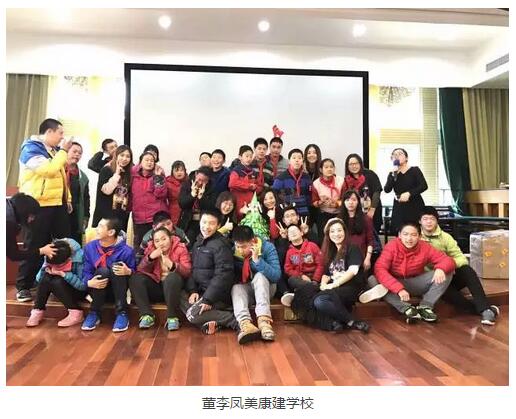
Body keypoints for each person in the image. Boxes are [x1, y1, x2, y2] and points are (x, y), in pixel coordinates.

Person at [16, 118, 73, 302]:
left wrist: (67, 198)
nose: (62, 137)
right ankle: (23, 286)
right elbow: (49, 170)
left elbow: (61, 177)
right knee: (34, 244)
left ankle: (59, 282)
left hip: (57, 204)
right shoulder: (31, 149)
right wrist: (64, 151)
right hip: (37, 205)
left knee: (62, 244)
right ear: (49, 132)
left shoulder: (54, 151)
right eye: (60, 133)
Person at [282, 218, 370, 333]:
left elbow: (353, 271)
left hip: (350, 286)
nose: (336, 234)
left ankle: (351, 321)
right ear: (328, 234)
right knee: (303, 296)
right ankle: (333, 323)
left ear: (345, 231)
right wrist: (323, 283)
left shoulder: (352, 248)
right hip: (334, 287)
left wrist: (333, 285)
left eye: (339, 230)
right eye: (332, 231)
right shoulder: (331, 251)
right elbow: (326, 274)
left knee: (319, 300)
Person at [419, 206, 500, 325]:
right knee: (448, 294)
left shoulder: (446, 237)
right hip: (431, 281)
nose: (429, 222)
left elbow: (461, 258)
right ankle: (487, 310)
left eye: (432, 219)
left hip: (449, 274)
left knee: (467, 270)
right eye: (425, 219)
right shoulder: (415, 237)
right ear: (420, 221)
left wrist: (444, 267)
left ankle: (485, 310)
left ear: (437, 221)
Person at [361, 222, 455, 323]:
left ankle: (425, 307)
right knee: (373, 280)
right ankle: (407, 309)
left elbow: (448, 260)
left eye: (413, 235)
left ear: (419, 236)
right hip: (393, 283)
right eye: (405, 234)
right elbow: (380, 269)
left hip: (414, 282)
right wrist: (398, 289)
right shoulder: (391, 246)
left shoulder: (425, 247)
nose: (409, 238)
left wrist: (441, 269)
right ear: (399, 235)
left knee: (447, 272)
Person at [181, 209, 238, 335]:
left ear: (218, 226)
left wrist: (208, 299)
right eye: (204, 222)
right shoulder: (198, 243)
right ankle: (212, 322)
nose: (206, 227)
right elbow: (193, 270)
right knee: (178, 294)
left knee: (192, 315)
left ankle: (233, 320)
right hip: (201, 292)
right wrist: (193, 291)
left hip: (217, 297)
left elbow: (223, 275)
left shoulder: (221, 245)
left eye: (211, 223)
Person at [130, 227, 192, 331]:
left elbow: (187, 272)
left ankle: (172, 317)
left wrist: (172, 265)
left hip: (174, 290)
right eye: (157, 241)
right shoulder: (151, 249)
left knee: (172, 277)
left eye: (164, 239)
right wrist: (150, 258)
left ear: (170, 238)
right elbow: (140, 269)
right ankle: (146, 315)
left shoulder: (180, 248)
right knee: (135, 278)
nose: (161, 243)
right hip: (157, 286)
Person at [81, 218, 136, 332]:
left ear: (111, 232)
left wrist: (128, 271)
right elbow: (86, 270)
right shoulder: (90, 247)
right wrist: (89, 282)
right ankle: (94, 312)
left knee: (117, 267)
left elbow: (136, 273)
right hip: (97, 289)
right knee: (103, 271)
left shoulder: (127, 251)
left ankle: (122, 312)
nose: (96, 229)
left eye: (101, 226)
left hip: (117, 291)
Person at [231, 226, 281, 344]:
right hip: (248, 290)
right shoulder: (234, 251)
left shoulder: (267, 247)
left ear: (253, 241)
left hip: (267, 288)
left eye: (244, 247)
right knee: (236, 288)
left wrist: (257, 261)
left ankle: (264, 322)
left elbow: (276, 276)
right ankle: (246, 324)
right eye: (238, 246)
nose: (240, 250)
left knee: (259, 276)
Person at [26, 238, 86, 328]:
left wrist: (64, 274)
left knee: (57, 281)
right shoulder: (51, 252)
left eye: (58, 265)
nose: (55, 267)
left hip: (77, 290)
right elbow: (38, 279)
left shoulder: (80, 257)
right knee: (46, 277)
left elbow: (83, 286)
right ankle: (37, 310)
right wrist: (45, 268)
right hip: (60, 290)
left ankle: (76, 312)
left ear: (68, 259)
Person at [383, 148, 428, 235]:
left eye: (400, 154)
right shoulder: (392, 173)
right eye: (394, 155)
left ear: (406, 158)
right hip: (399, 206)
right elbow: (387, 190)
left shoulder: (415, 170)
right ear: (392, 159)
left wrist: (409, 193)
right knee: (399, 231)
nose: (397, 156)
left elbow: (424, 186)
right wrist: (393, 174)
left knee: (415, 231)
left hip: (415, 205)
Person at [131, 151, 168, 248]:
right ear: (140, 162)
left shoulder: (159, 175)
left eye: (152, 161)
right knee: (140, 247)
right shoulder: (133, 176)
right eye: (146, 160)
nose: (149, 162)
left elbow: (161, 194)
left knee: (157, 246)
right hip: (139, 218)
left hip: (155, 218)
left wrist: (158, 178)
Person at [92, 145, 133, 232]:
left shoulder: (128, 173)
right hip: (105, 216)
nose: (124, 159)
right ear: (116, 156)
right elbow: (106, 190)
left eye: (128, 156)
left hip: (120, 216)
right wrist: (116, 174)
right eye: (122, 155)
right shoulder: (107, 169)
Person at [6, 193, 57, 262]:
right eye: (31, 216)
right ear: (24, 211)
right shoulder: (8, 223)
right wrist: (42, 250)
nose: (32, 219)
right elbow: (14, 255)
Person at [342, 153, 383, 233]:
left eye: (356, 163)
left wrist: (372, 209)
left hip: (372, 210)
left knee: (372, 234)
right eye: (351, 164)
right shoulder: (347, 179)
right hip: (356, 213)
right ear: (347, 166)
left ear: (360, 164)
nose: (354, 166)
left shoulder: (370, 174)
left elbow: (377, 192)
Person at [178, 166, 217, 246]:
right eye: (199, 179)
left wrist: (201, 198)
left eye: (204, 181)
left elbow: (212, 207)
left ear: (208, 180)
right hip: (189, 220)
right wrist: (192, 195)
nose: (200, 182)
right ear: (196, 174)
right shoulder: (187, 184)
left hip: (205, 221)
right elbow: (182, 204)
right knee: (188, 242)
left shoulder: (213, 187)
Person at [340, 190, 375, 273]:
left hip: (361, 256)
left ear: (358, 202)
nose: (350, 202)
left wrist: (368, 258)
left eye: (353, 200)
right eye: (347, 200)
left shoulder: (366, 219)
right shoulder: (339, 219)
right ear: (343, 202)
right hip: (344, 255)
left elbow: (370, 241)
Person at [272, 148, 313, 218]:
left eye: (299, 158)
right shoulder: (280, 178)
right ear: (289, 161)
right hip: (288, 216)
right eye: (294, 158)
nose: (297, 160)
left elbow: (310, 196)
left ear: (302, 161)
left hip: (304, 214)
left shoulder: (307, 178)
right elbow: (274, 196)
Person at [312, 158, 344, 242]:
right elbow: (314, 202)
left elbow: (345, 199)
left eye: (331, 167)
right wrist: (321, 202)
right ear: (321, 170)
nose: (329, 169)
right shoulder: (316, 183)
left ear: (334, 168)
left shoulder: (341, 181)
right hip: (324, 214)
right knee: (324, 239)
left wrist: (336, 204)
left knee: (340, 237)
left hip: (339, 213)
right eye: (326, 167)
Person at [283, 224, 324, 289]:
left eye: (295, 230)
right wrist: (301, 276)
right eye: (290, 232)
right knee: (291, 280)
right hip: (300, 279)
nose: (293, 232)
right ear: (288, 238)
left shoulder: (312, 246)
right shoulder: (289, 252)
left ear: (301, 233)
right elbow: (288, 269)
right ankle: (313, 288)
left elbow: (320, 264)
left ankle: (312, 287)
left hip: (315, 278)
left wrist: (315, 280)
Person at [229, 145, 263, 220]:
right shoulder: (236, 171)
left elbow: (259, 186)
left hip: (251, 203)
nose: (249, 159)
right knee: (239, 222)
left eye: (251, 156)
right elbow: (232, 183)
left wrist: (256, 188)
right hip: (238, 202)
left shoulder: (253, 172)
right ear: (240, 157)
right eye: (246, 156)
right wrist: (249, 186)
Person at [66, 142, 90, 244]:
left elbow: (86, 198)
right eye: (74, 151)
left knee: (75, 243)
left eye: (79, 153)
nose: (77, 155)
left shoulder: (83, 177)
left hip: (76, 214)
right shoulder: (58, 171)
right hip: (60, 212)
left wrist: (86, 216)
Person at [166, 160, 188, 226]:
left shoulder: (189, 181)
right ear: (172, 172)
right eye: (176, 170)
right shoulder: (167, 183)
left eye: (181, 170)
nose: (179, 173)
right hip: (173, 212)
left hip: (188, 212)